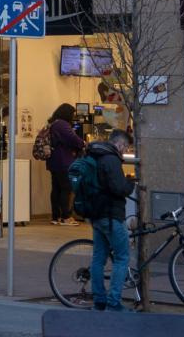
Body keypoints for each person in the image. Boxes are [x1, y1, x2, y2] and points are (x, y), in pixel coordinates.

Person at [82, 129, 136, 311]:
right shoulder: (111, 160)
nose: (125, 150)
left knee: (98, 259)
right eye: (125, 147)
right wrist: (131, 183)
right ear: (119, 144)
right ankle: (113, 302)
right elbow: (118, 188)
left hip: (96, 215)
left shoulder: (95, 155)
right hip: (111, 215)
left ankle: (99, 300)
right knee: (122, 257)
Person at [44, 103, 88, 226]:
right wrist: (83, 143)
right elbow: (73, 139)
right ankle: (66, 217)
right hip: (63, 161)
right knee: (66, 188)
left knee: (56, 188)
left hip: (53, 161)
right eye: (72, 114)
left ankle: (55, 216)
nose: (73, 117)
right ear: (66, 113)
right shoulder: (62, 124)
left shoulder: (53, 123)